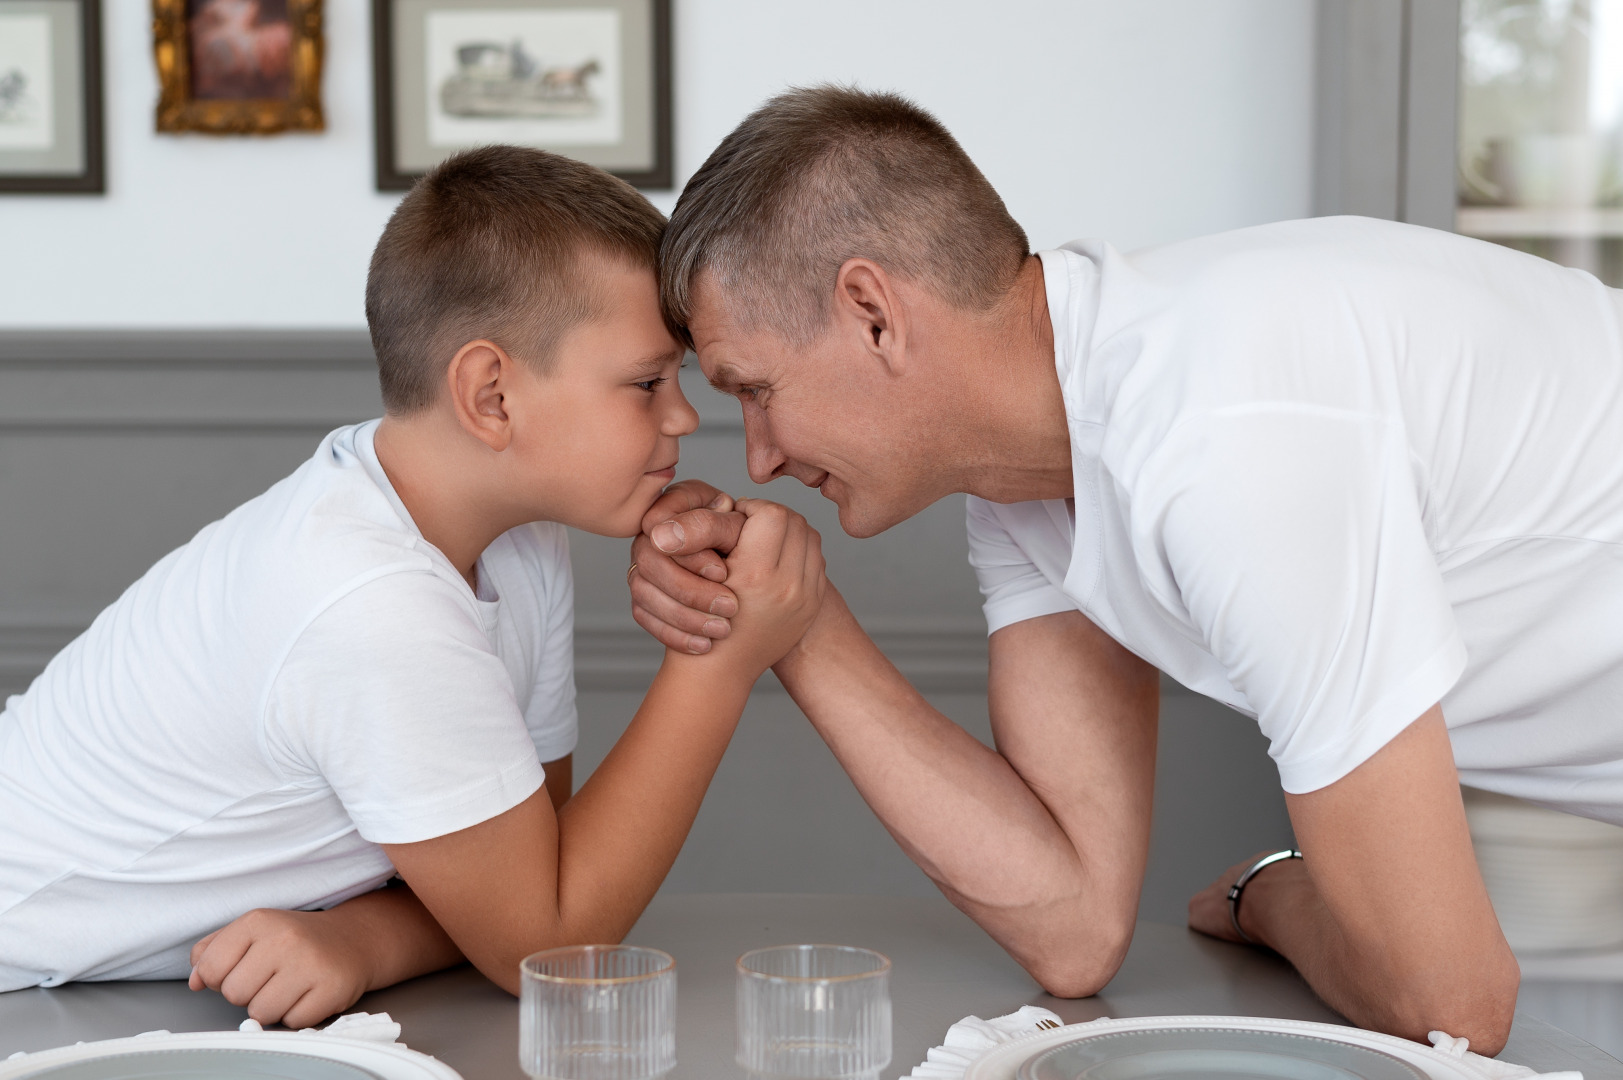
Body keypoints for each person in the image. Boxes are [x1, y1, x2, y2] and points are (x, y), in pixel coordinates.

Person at [627, 86, 1623, 1055]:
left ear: (873, 313)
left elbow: (1449, 1003)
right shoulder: (1031, 480)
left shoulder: (1222, 435)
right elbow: (1073, 925)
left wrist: (1271, 895)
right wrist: (798, 623)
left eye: (753, 390)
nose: (755, 456)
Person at [0, 145, 824, 1027]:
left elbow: (526, 860)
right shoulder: (370, 602)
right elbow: (547, 946)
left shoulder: (513, 538)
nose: (684, 417)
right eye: (646, 382)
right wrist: (718, 661)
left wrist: (361, 938)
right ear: (490, 396)